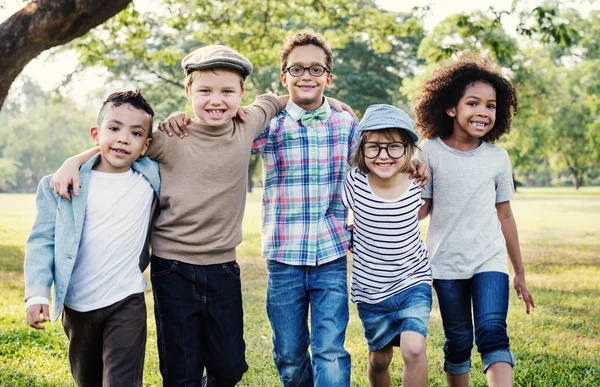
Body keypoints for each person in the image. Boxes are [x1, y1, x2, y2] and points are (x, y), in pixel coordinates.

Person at [156, 33, 428, 387]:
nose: (307, 76)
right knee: (289, 355)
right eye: (296, 68)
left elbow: (380, 155)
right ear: (283, 76)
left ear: (329, 77)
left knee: (331, 349)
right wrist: (178, 118)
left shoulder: (347, 125)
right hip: (283, 257)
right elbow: (218, 131)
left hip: (330, 255)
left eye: (316, 69)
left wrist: (416, 158)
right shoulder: (267, 125)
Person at [49, 45, 288, 386]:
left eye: (227, 91)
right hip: (172, 268)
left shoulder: (247, 123)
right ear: (188, 91)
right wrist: (73, 160)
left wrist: (327, 103)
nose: (216, 100)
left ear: (241, 94)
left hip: (223, 269)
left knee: (230, 366)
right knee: (181, 370)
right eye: (204, 90)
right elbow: (123, 145)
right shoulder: (171, 137)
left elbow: (278, 99)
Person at [414, 54, 535, 387]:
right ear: (451, 108)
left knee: (493, 331)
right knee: (458, 340)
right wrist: (384, 217)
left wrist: (519, 271)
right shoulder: (429, 151)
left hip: (489, 260)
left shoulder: (497, 157)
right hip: (445, 263)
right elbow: (422, 208)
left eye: (491, 106)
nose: (483, 112)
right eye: (473, 103)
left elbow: (505, 215)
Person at [24, 90, 159, 387]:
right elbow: (41, 241)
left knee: (121, 381)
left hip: (127, 300)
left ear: (146, 145)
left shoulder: (150, 177)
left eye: (135, 133)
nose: (123, 138)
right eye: (114, 128)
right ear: (96, 133)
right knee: (87, 380)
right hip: (77, 305)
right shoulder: (61, 184)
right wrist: (36, 294)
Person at [342, 104, 432, 387]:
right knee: (379, 360)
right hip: (372, 292)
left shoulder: (418, 181)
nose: (383, 156)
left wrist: (421, 164)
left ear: (408, 148)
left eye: (394, 147)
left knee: (414, 348)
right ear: (362, 149)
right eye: (374, 147)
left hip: (413, 282)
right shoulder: (354, 182)